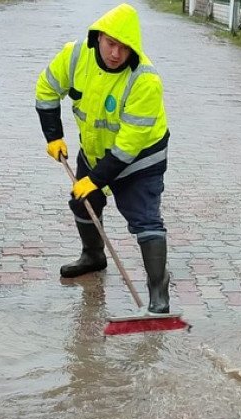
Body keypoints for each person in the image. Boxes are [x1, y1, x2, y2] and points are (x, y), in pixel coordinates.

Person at [35, 3, 172, 313]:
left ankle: (158, 291)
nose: (115, 54)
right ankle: (93, 256)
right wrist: (53, 135)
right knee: (83, 201)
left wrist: (95, 180)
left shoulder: (145, 80)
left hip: (140, 158)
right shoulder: (74, 56)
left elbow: (128, 146)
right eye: (111, 44)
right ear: (97, 37)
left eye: (124, 48)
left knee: (144, 218)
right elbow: (46, 88)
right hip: (96, 150)